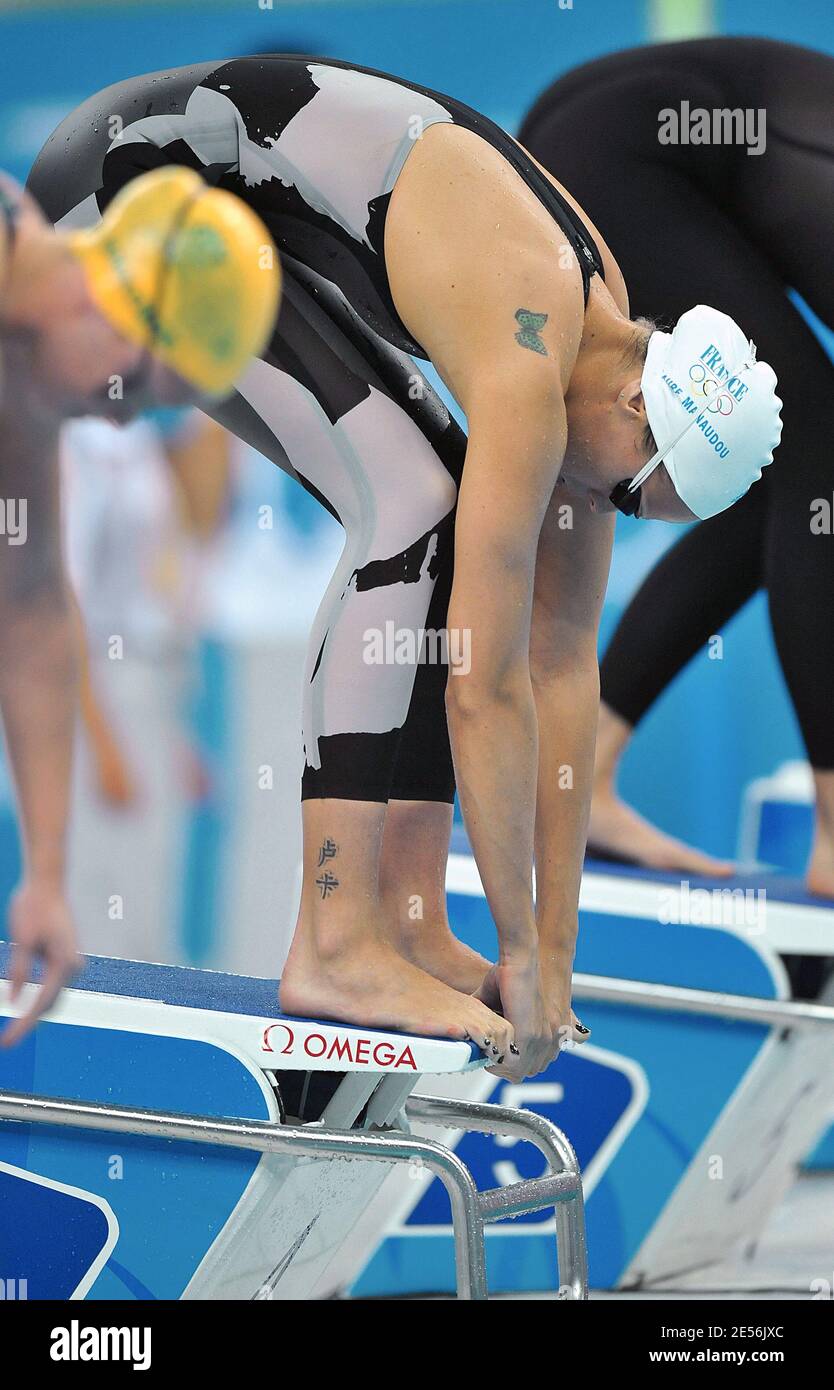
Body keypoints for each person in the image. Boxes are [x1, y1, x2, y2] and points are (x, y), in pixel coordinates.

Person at [27, 54, 782, 1079]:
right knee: (414, 505)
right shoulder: (533, 350)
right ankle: (337, 942)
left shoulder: (602, 354)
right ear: (640, 410)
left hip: (238, 208)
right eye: (632, 498)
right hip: (128, 184)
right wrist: (517, 945)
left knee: (435, 497)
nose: (610, 512)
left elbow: (559, 662)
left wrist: (554, 956)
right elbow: (485, 686)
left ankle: (409, 922)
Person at [519, 36, 834, 894]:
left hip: (601, 126)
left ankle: (590, 769)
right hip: (620, 150)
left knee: (780, 471)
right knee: (819, 451)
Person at [0, 161, 281, 1044]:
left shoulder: (24, 378)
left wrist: (46, 874)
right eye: (136, 395)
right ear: (107, 308)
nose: (119, 424)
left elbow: (34, 604)